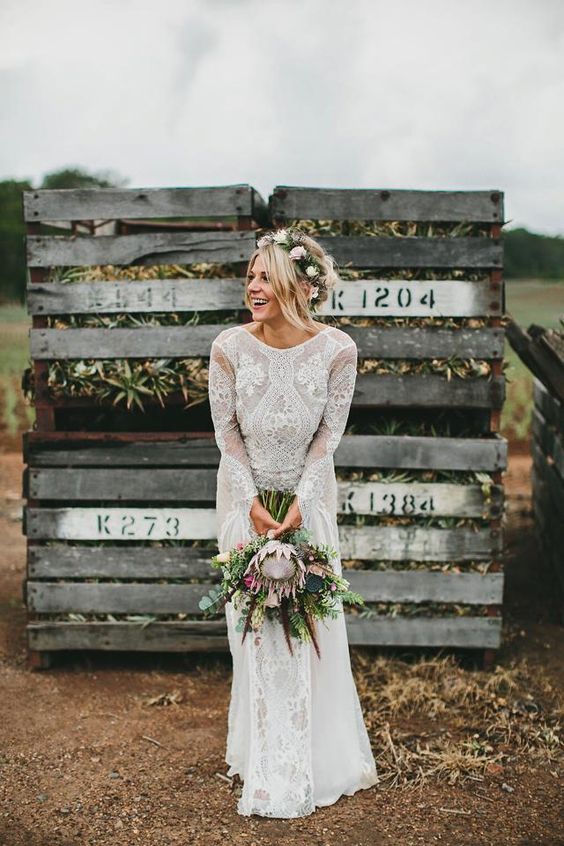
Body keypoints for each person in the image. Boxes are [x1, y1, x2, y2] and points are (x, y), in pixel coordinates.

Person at [207, 227, 379, 818]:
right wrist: (251, 500)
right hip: (246, 502)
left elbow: (328, 437)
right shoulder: (228, 347)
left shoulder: (338, 351)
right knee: (252, 632)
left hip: (310, 501)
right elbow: (226, 434)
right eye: (251, 275)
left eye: (266, 277)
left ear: (300, 286)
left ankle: (316, 756)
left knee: (310, 632)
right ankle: (263, 761)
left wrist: (303, 498)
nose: (253, 286)